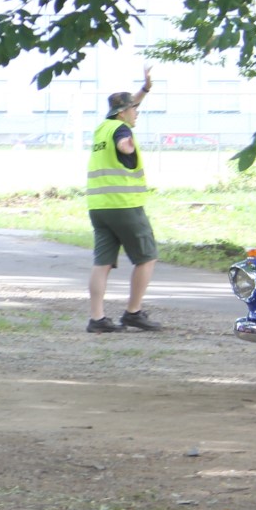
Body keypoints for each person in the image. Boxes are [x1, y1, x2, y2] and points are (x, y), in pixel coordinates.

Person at [86, 64, 160, 332]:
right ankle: (133, 312)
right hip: (124, 205)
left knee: (102, 263)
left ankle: (97, 319)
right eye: (134, 110)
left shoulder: (101, 128)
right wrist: (126, 144)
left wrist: (146, 87)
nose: (137, 113)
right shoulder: (121, 130)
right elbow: (123, 141)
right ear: (123, 112)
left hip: (99, 208)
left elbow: (129, 107)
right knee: (147, 257)